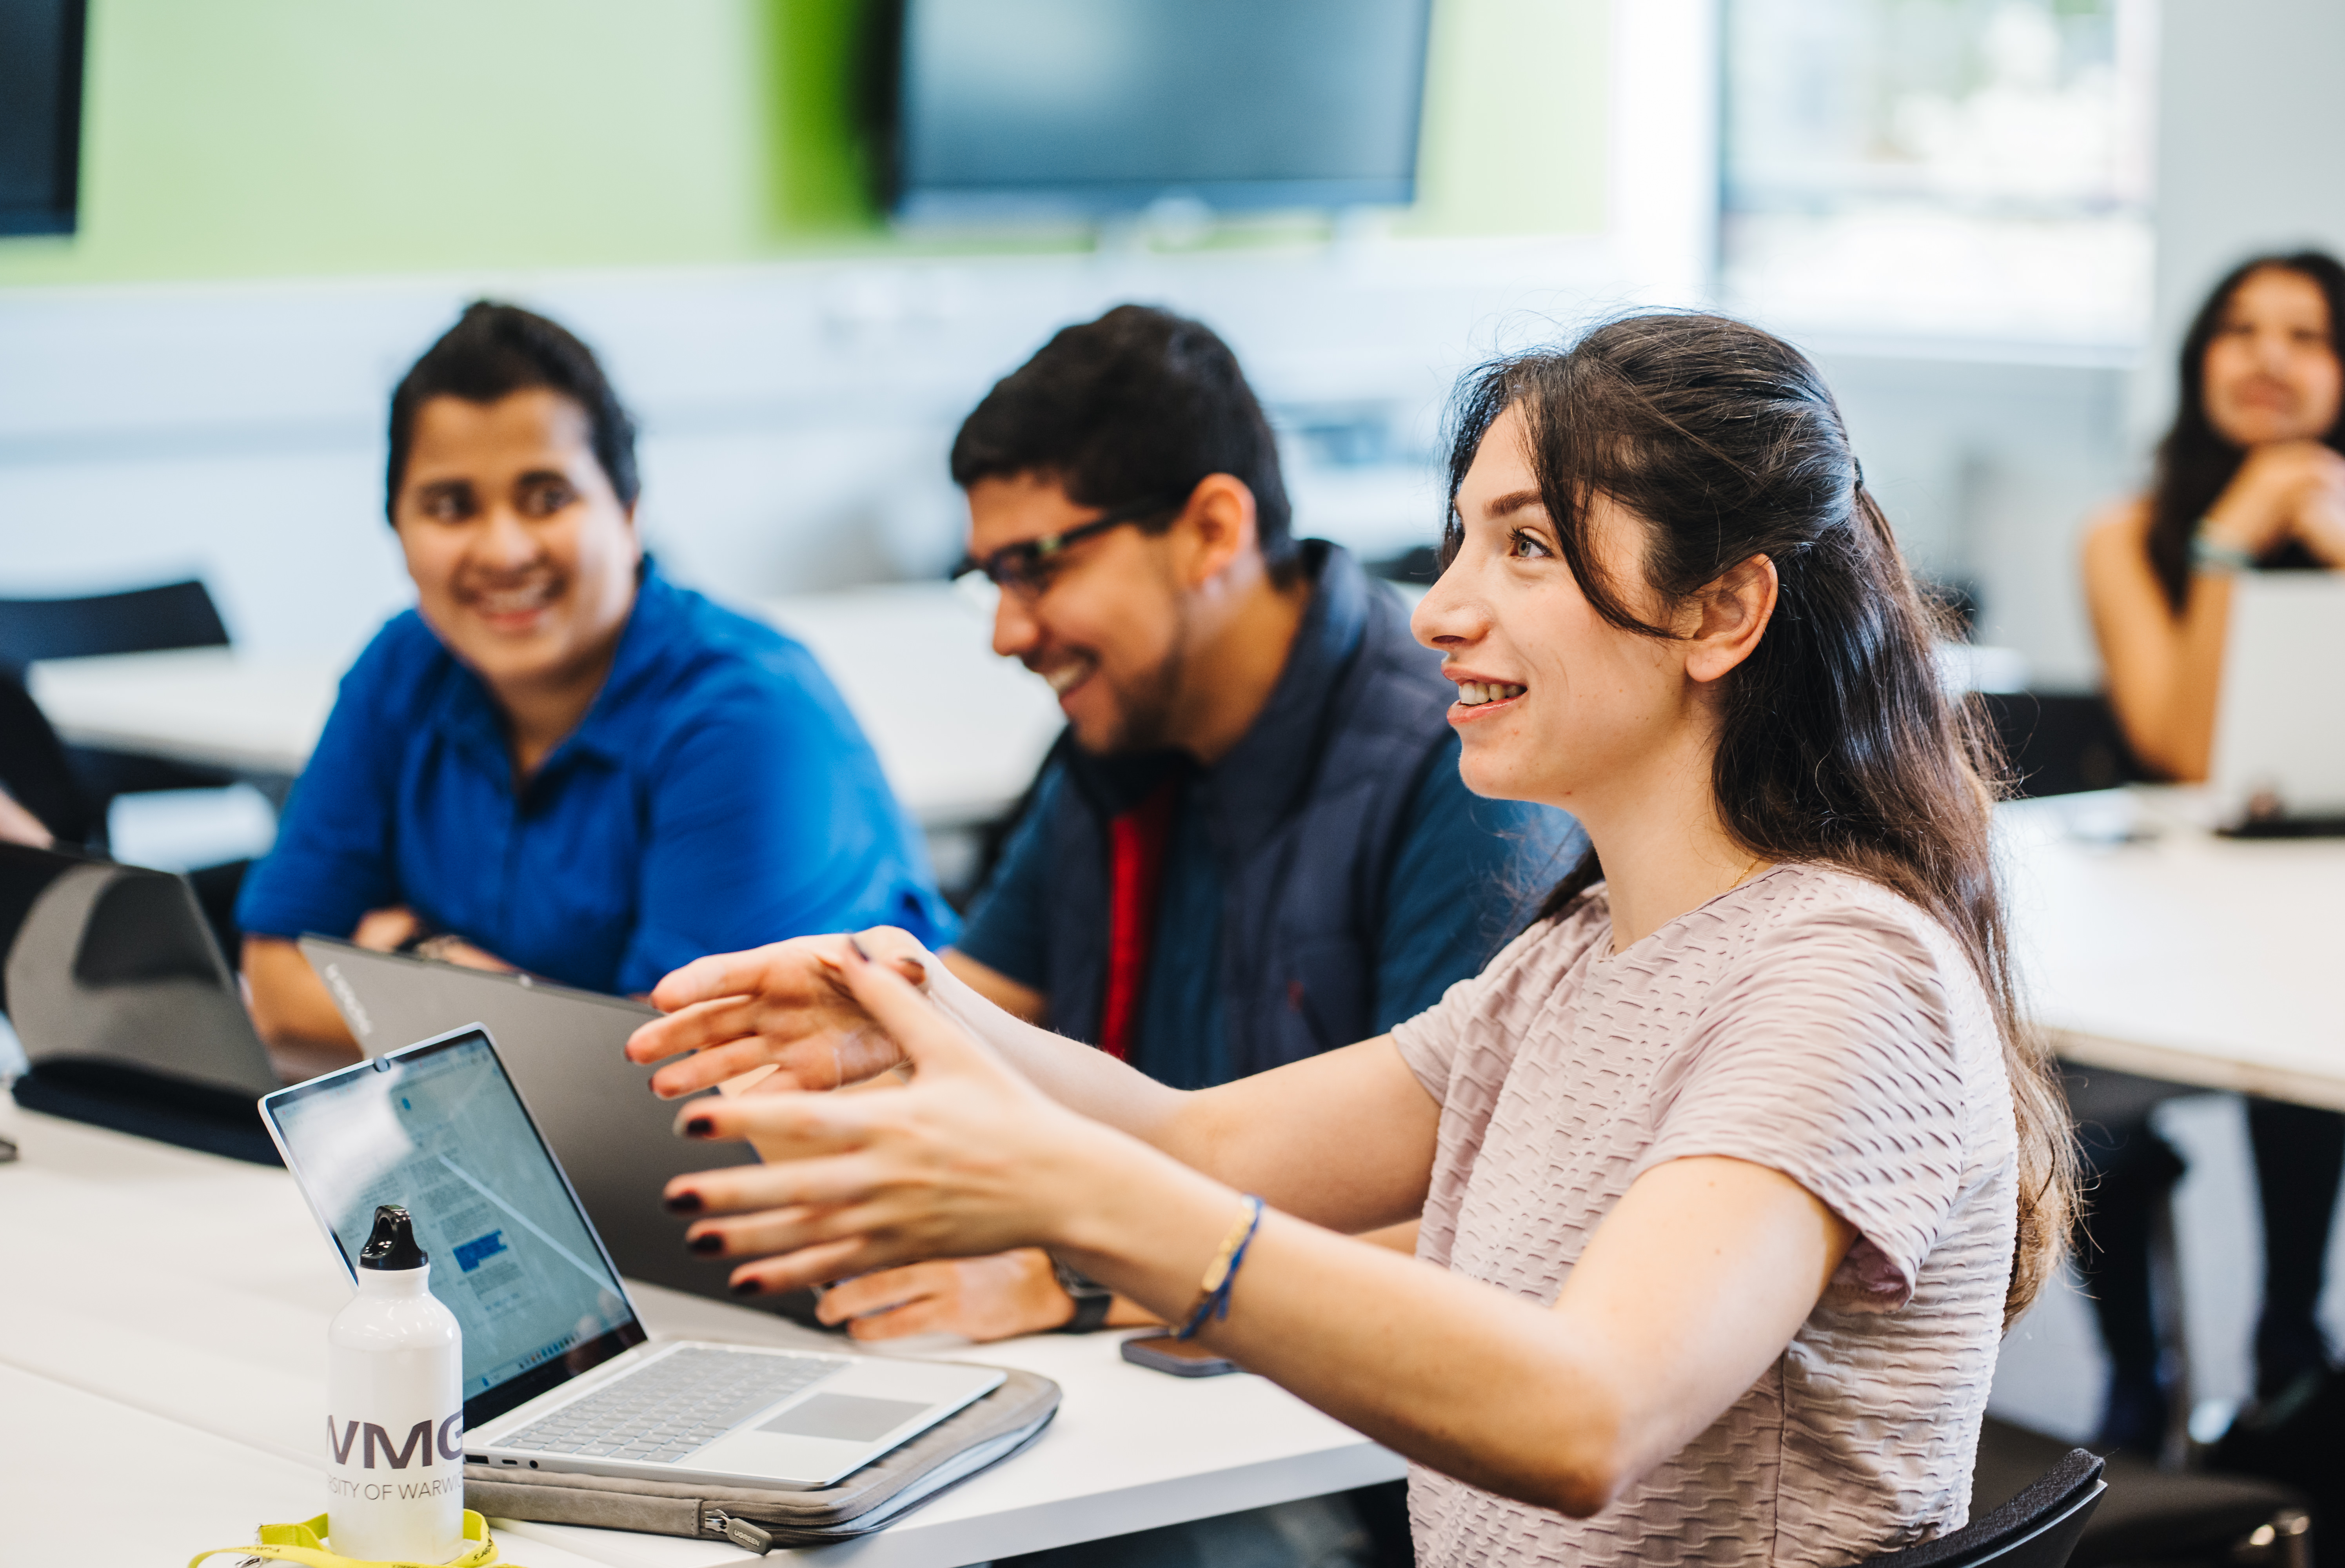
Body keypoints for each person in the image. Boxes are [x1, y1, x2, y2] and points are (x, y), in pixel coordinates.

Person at [632, 313, 2076, 1564]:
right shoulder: (1575, 961)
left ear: (1722, 611)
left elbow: (1587, 1414)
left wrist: (1068, 1201)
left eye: (1525, 545)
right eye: (1460, 543)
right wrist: (905, 1005)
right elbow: (1202, 1147)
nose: (1443, 609)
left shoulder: (1843, 977)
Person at [804, 304, 1578, 1353]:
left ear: (1213, 529)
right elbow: (966, 1021)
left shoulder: (1464, 773)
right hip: (1143, 1357)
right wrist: (817, 1057)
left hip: (1328, 1431)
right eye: (991, 579)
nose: (1007, 632)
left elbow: (1465, 1225)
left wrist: (1067, 1279)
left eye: (1038, 568)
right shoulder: (1116, 740)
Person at [238, 302, 954, 1055]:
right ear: (399, 532)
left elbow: (678, 1067)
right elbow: (279, 987)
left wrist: (422, 962)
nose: (504, 550)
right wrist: (540, 1017)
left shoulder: (744, 712)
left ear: (629, 511)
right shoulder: (404, 665)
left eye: (547, 497)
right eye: (451, 508)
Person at [2079, 251, 2345, 1444]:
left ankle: (2290, 1343)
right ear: (2199, 362)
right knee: (2078, 1105)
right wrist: (2231, 543)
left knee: (2311, 1053)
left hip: (2320, 920)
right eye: (2241, 330)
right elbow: (2183, 746)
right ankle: (2139, 1375)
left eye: (2308, 335)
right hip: (2174, 925)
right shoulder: (2128, 533)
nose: (2270, 359)